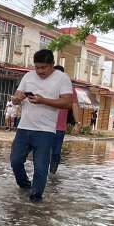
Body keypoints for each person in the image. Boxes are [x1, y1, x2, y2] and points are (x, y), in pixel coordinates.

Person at [9, 49, 73, 202]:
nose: (40, 71)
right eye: (37, 67)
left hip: (45, 130)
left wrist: (43, 100)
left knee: (41, 167)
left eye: (44, 67)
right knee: (15, 161)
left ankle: (35, 198)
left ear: (52, 64)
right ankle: (24, 186)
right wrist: (18, 99)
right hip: (24, 127)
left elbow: (67, 102)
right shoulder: (28, 76)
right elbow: (15, 99)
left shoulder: (62, 78)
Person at [50, 64, 74, 174]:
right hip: (46, 125)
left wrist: (77, 123)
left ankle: (52, 173)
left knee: (56, 152)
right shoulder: (47, 86)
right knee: (43, 151)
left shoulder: (69, 89)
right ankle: (42, 172)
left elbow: (74, 105)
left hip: (60, 128)